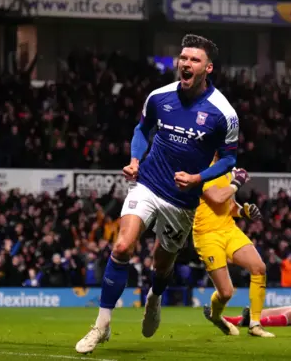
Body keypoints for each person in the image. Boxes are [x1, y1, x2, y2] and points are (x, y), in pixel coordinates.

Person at [76, 34, 241, 354]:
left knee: (162, 265)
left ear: (208, 68)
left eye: (194, 60)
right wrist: (135, 160)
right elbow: (142, 130)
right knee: (122, 246)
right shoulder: (159, 97)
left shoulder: (224, 113)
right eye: (183, 57)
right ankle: (102, 324)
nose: (186, 63)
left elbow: (230, 158)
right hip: (148, 183)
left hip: (182, 201)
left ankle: (154, 297)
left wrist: (198, 178)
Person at [192, 161, 274, 337]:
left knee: (259, 268)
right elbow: (217, 198)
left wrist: (244, 212)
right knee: (226, 292)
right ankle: (215, 316)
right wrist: (236, 182)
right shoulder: (200, 167)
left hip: (229, 229)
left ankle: (255, 325)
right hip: (207, 235)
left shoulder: (226, 167)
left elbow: (229, 205)